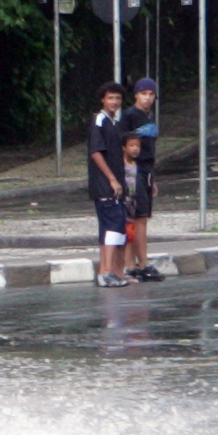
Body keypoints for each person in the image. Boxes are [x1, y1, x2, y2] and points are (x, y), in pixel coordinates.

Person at [87, 82, 131, 286]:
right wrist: (112, 179)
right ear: (102, 100)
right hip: (104, 185)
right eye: (110, 98)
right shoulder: (99, 121)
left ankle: (109, 271)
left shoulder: (114, 123)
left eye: (118, 98)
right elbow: (96, 152)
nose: (114, 101)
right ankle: (106, 272)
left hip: (116, 184)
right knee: (112, 226)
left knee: (113, 228)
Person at [125, 78, 163, 281]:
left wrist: (153, 178)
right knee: (138, 218)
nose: (147, 97)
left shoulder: (148, 117)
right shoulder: (131, 116)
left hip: (147, 170)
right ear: (136, 95)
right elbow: (125, 146)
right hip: (135, 171)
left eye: (151, 94)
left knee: (141, 218)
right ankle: (140, 263)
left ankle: (135, 263)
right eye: (144, 93)